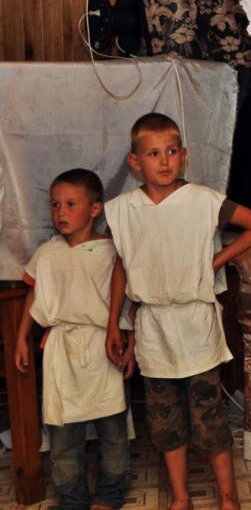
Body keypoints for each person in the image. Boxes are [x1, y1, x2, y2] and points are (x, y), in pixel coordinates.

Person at [104, 113, 251, 510]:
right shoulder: (122, 210)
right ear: (135, 162)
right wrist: (114, 323)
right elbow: (122, 265)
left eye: (171, 151)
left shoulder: (204, 201)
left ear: (184, 155)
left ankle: (228, 497)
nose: (163, 161)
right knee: (165, 420)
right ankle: (181, 497)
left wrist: (214, 262)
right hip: (153, 328)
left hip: (196, 326)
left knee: (208, 416)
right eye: (153, 153)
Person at [14, 169, 134, 510]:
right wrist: (22, 338)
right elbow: (34, 294)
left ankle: (109, 493)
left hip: (103, 348)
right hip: (61, 351)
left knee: (113, 430)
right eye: (55, 205)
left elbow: (128, 303)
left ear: (95, 209)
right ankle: (72, 498)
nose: (60, 212)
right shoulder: (47, 253)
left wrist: (130, 346)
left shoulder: (111, 252)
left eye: (70, 204)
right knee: (63, 435)